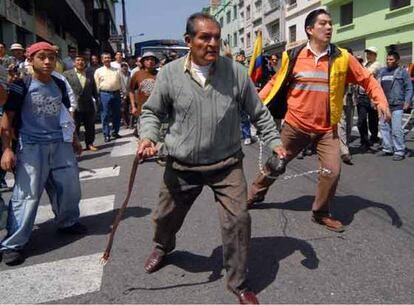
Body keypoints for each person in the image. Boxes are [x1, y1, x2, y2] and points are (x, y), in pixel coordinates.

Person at [138, 12, 282, 305]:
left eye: (217, 37)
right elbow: (152, 112)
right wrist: (148, 137)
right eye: (205, 37)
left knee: (238, 221)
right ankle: (163, 246)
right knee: (164, 217)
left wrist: (275, 142)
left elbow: (259, 112)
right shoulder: (169, 74)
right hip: (181, 165)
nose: (213, 43)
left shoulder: (236, 72)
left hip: (226, 165)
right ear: (189, 41)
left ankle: (238, 282)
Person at [247, 9, 390, 233]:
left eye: (330, 23)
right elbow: (274, 82)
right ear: (310, 30)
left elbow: (367, 79)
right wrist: (255, 104)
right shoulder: (292, 56)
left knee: (332, 171)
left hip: (326, 129)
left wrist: (380, 100)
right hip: (295, 126)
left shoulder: (343, 57)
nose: (329, 27)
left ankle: (321, 212)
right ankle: (255, 193)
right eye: (323, 23)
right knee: (275, 165)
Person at [0, 42, 86, 265]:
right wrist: (7, 149)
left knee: (69, 186)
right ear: (30, 60)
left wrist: (75, 140)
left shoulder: (59, 82)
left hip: (59, 143)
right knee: (26, 195)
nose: (47, 61)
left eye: (51, 57)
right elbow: (7, 119)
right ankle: (13, 243)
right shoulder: (22, 84)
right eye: (41, 57)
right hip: (31, 145)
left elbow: (65, 115)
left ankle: (68, 222)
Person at [377, 50, 413, 161]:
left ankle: (399, 150)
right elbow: (377, 87)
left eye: (391, 59)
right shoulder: (382, 72)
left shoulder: (402, 72)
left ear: (397, 60)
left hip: (397, 104)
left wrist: (407, 100)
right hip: (384, 105)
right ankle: (388, 148)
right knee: (384, 127)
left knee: (397, 129)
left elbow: (409, 87)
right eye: (387, 59)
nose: (389, 61)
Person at [64, 53, 98, 151]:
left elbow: (94, 89)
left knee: (90, 126)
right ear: (74, 63)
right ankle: (75, 145)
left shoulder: (89, 74)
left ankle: (89, 143)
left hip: (88, 104)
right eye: (78, 60)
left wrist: (96, 101)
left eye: (82, 60)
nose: (80, 62)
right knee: (75, 127)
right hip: (74, 106)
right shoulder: (67, 74)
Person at [356, 46, 383, 151]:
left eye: (371, 53)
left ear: (375, 55)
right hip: (362, 96)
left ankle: (374, 138)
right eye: (367, 53)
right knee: (361, 121)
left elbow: (366, 74)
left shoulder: (377, 65)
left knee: (373, 121)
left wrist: (357, 66)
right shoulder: (365, 64)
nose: (368, 55)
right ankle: (364, 141)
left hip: (372, 97)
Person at [94, 52, 124, 142]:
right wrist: (98, 96)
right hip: (104, 94)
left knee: (117, 114)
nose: (107, 59)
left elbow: (120, 82)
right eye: (105, 58)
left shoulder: (117, 70)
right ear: (102, 60)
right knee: (105, 115)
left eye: (109, 58)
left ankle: (115, 132)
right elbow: (96, 84)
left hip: (116, 93)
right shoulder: (98, 71)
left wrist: (122, 94)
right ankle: (106, 134)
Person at [129, 52, 158, 135]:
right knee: (143, 133)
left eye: (152, 60)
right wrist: (133, 106)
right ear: (143, 62)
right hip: (142, 108)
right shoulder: (137, 74)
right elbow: (131, 90)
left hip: (157, 108)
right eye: (147, 60)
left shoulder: (159, 74)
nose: (150, 62)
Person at [120, 62, 131, 127]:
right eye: (123, 67)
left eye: (125, 66)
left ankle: (130, 122)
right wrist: (122, 94)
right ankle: (125, 123)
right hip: (121, 94)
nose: (124, 68)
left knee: (129, 109)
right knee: (123, 109)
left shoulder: (130, 74)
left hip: (129, 94)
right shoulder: (118, 75)